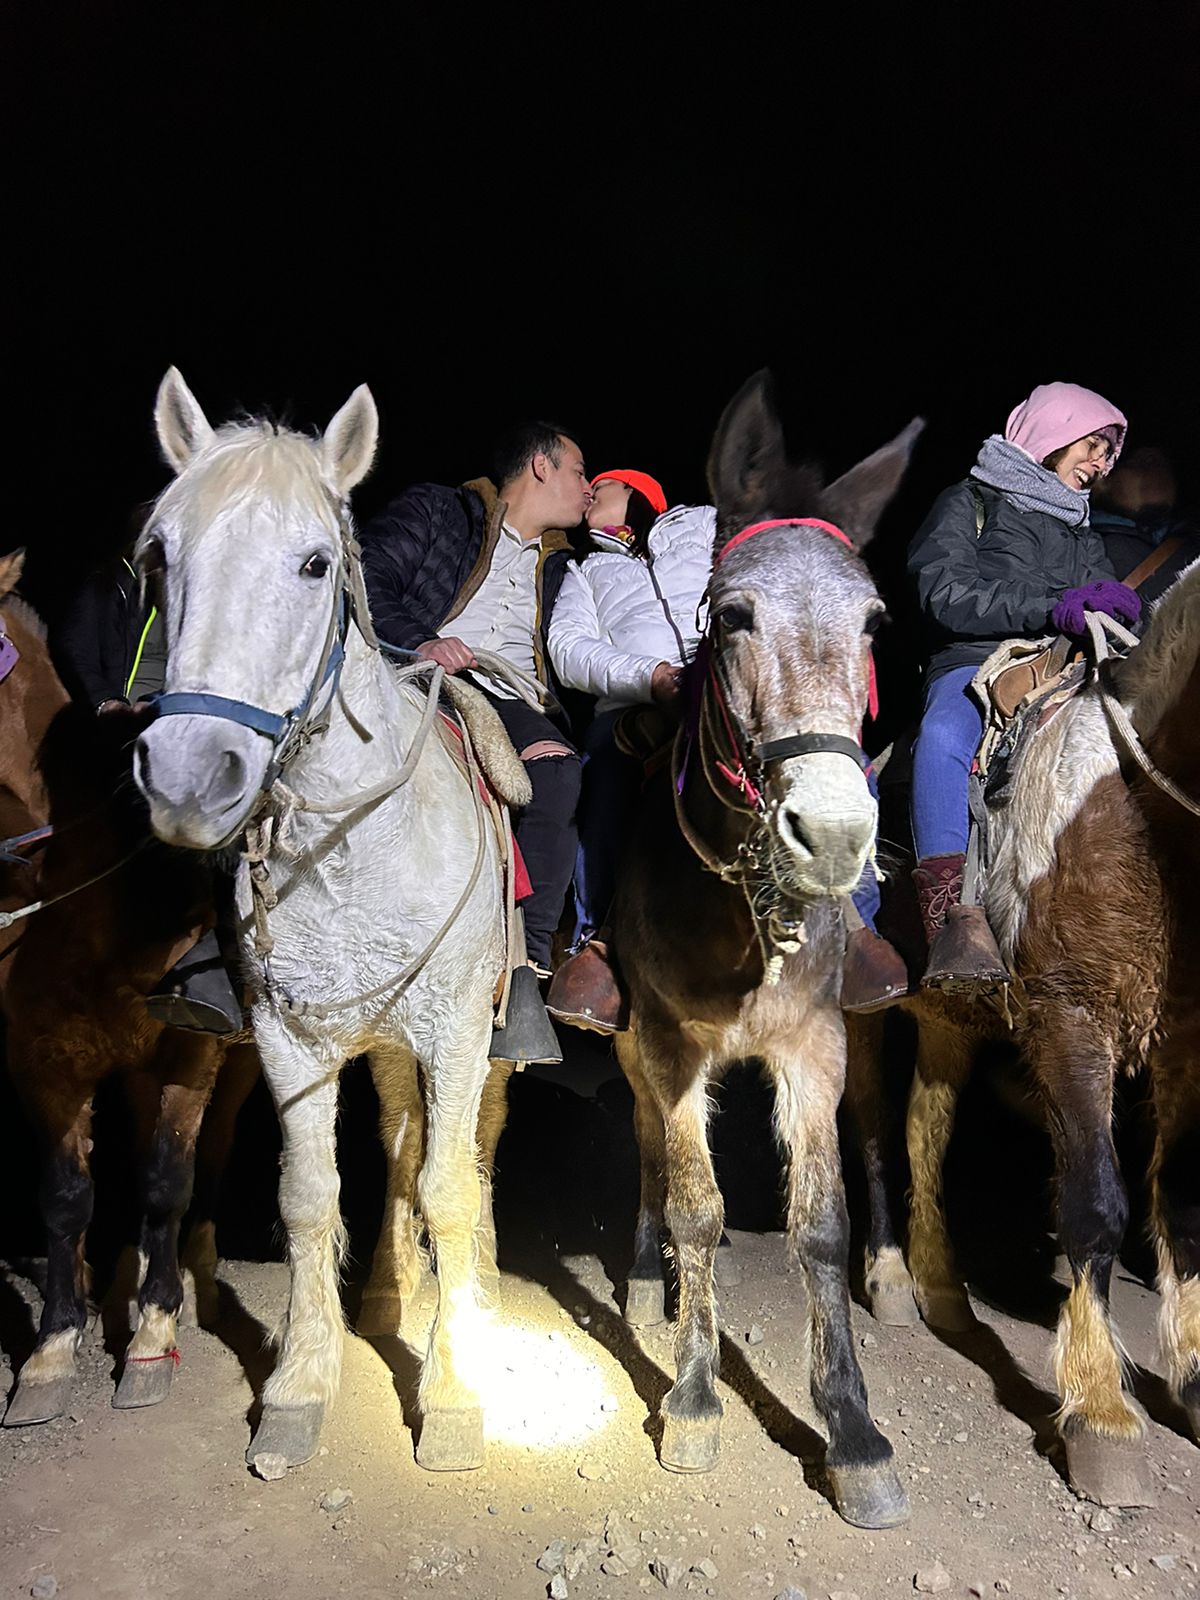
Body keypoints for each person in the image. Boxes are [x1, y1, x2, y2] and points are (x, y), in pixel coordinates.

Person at [544, 469, 908, 1031]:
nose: (591, 491)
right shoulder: (586, 572)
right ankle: (600, 943)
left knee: (841, 763)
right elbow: (568, 647)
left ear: (642, 491)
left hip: (723, 688)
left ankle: (858, 932)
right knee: (601, 780)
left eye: (605, 483)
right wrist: (650, 677)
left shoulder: (706, 531)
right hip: (635, 704)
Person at [358, 421, 592, 1062]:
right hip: (415, 674)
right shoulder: (439, 510)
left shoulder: (569, 566)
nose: (588, 489)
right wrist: (420, 639)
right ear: (540, 466)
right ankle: (229, 950)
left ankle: (528, 971)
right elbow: (365, 575)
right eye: (578, 471)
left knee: (559, 772)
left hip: (511, 696)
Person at [907, 380, 1136, 990]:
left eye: (1108, 454)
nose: (1100, 464)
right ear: (1053, 435)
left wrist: (1120, 607)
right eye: (1092, 446)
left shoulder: (1080, 529)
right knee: (943, 734)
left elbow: (1095, 595)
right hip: (977, 659)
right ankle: (949, 914)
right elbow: (943, 592)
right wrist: (1051, 604)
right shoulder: (969, 501)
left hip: (1065, 663)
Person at [53, 534, 244, 1034]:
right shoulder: (111, 584)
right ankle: (191, 961)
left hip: (182, 721)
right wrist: (107, 702)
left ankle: (232, 954)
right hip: (124, 724)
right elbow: (74, 644)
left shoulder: (210, 593)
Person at [1090, 444, 1200, 604]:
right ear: (1103, 483)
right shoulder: (1082, 544)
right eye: (1138, 462)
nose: (1155, 470)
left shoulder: (1191, 547)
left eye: (1163, 465)